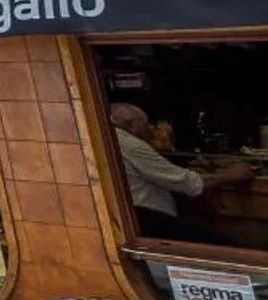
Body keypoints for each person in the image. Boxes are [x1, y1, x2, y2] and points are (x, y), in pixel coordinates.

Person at [108, 102, 253, 245]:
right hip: (151, 225)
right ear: (131, 125)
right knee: (230, 246)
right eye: (146, 125)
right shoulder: (130, 144)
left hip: (135, 223)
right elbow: (183, 181)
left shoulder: (109, 138)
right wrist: (228, 176)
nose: (150, 130)